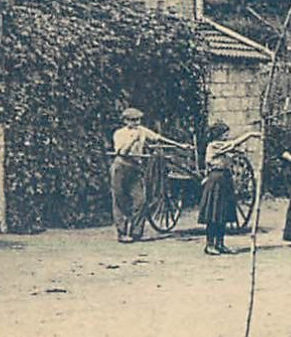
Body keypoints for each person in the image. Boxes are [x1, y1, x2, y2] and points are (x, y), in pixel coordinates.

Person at [110, 107, 182, 243]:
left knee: (140, 200)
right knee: (120, 201)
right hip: (121, 166)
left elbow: (158, 138)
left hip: (135, 168)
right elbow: (122, 152)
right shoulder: (119, 134)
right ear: (125, 121)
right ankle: (122, 233)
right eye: (132, 120)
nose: (136, 123)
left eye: (137, 120)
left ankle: (136, 233)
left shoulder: (142, 131)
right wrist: (133, 140)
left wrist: (179, 145)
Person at [198, 122, 260, 255]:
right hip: (216, 179)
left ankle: (220, 244)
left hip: (225, 180)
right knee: (214, 215)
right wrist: (250, 134)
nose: (227, 135)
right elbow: (233, 144)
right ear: (218, 134)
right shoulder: (214, 145)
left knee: (222, 214)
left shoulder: (223, 148)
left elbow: (232, 151)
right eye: (225, 133)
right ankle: (209, 245)